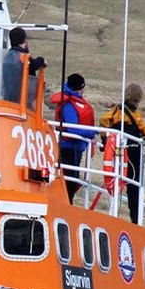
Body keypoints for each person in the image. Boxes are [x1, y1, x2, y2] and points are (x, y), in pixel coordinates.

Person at [98, 82, 145, 223]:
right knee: (134, 188)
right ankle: (137, 217)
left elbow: (103, 122)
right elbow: (144, 129)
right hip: (131, 153)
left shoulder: (119, 111)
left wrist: (105, 140)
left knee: (131, 186)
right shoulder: (129, 113)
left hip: (126, 153)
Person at [50, 73, 94, 203]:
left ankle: (68, 204)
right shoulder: (68, 104)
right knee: (69, 182)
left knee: (72, 181)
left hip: (75, 149)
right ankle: (66, 205)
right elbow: (72, 128)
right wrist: (91, 133)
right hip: (68, 149)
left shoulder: (70, 101)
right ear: (81, 88)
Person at [0, 26, 46, 103]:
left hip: (7, 100)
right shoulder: (22, 57)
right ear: (24, 39)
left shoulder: (7, 57)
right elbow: (33, 65)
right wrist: (42, 60)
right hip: (21, 102)